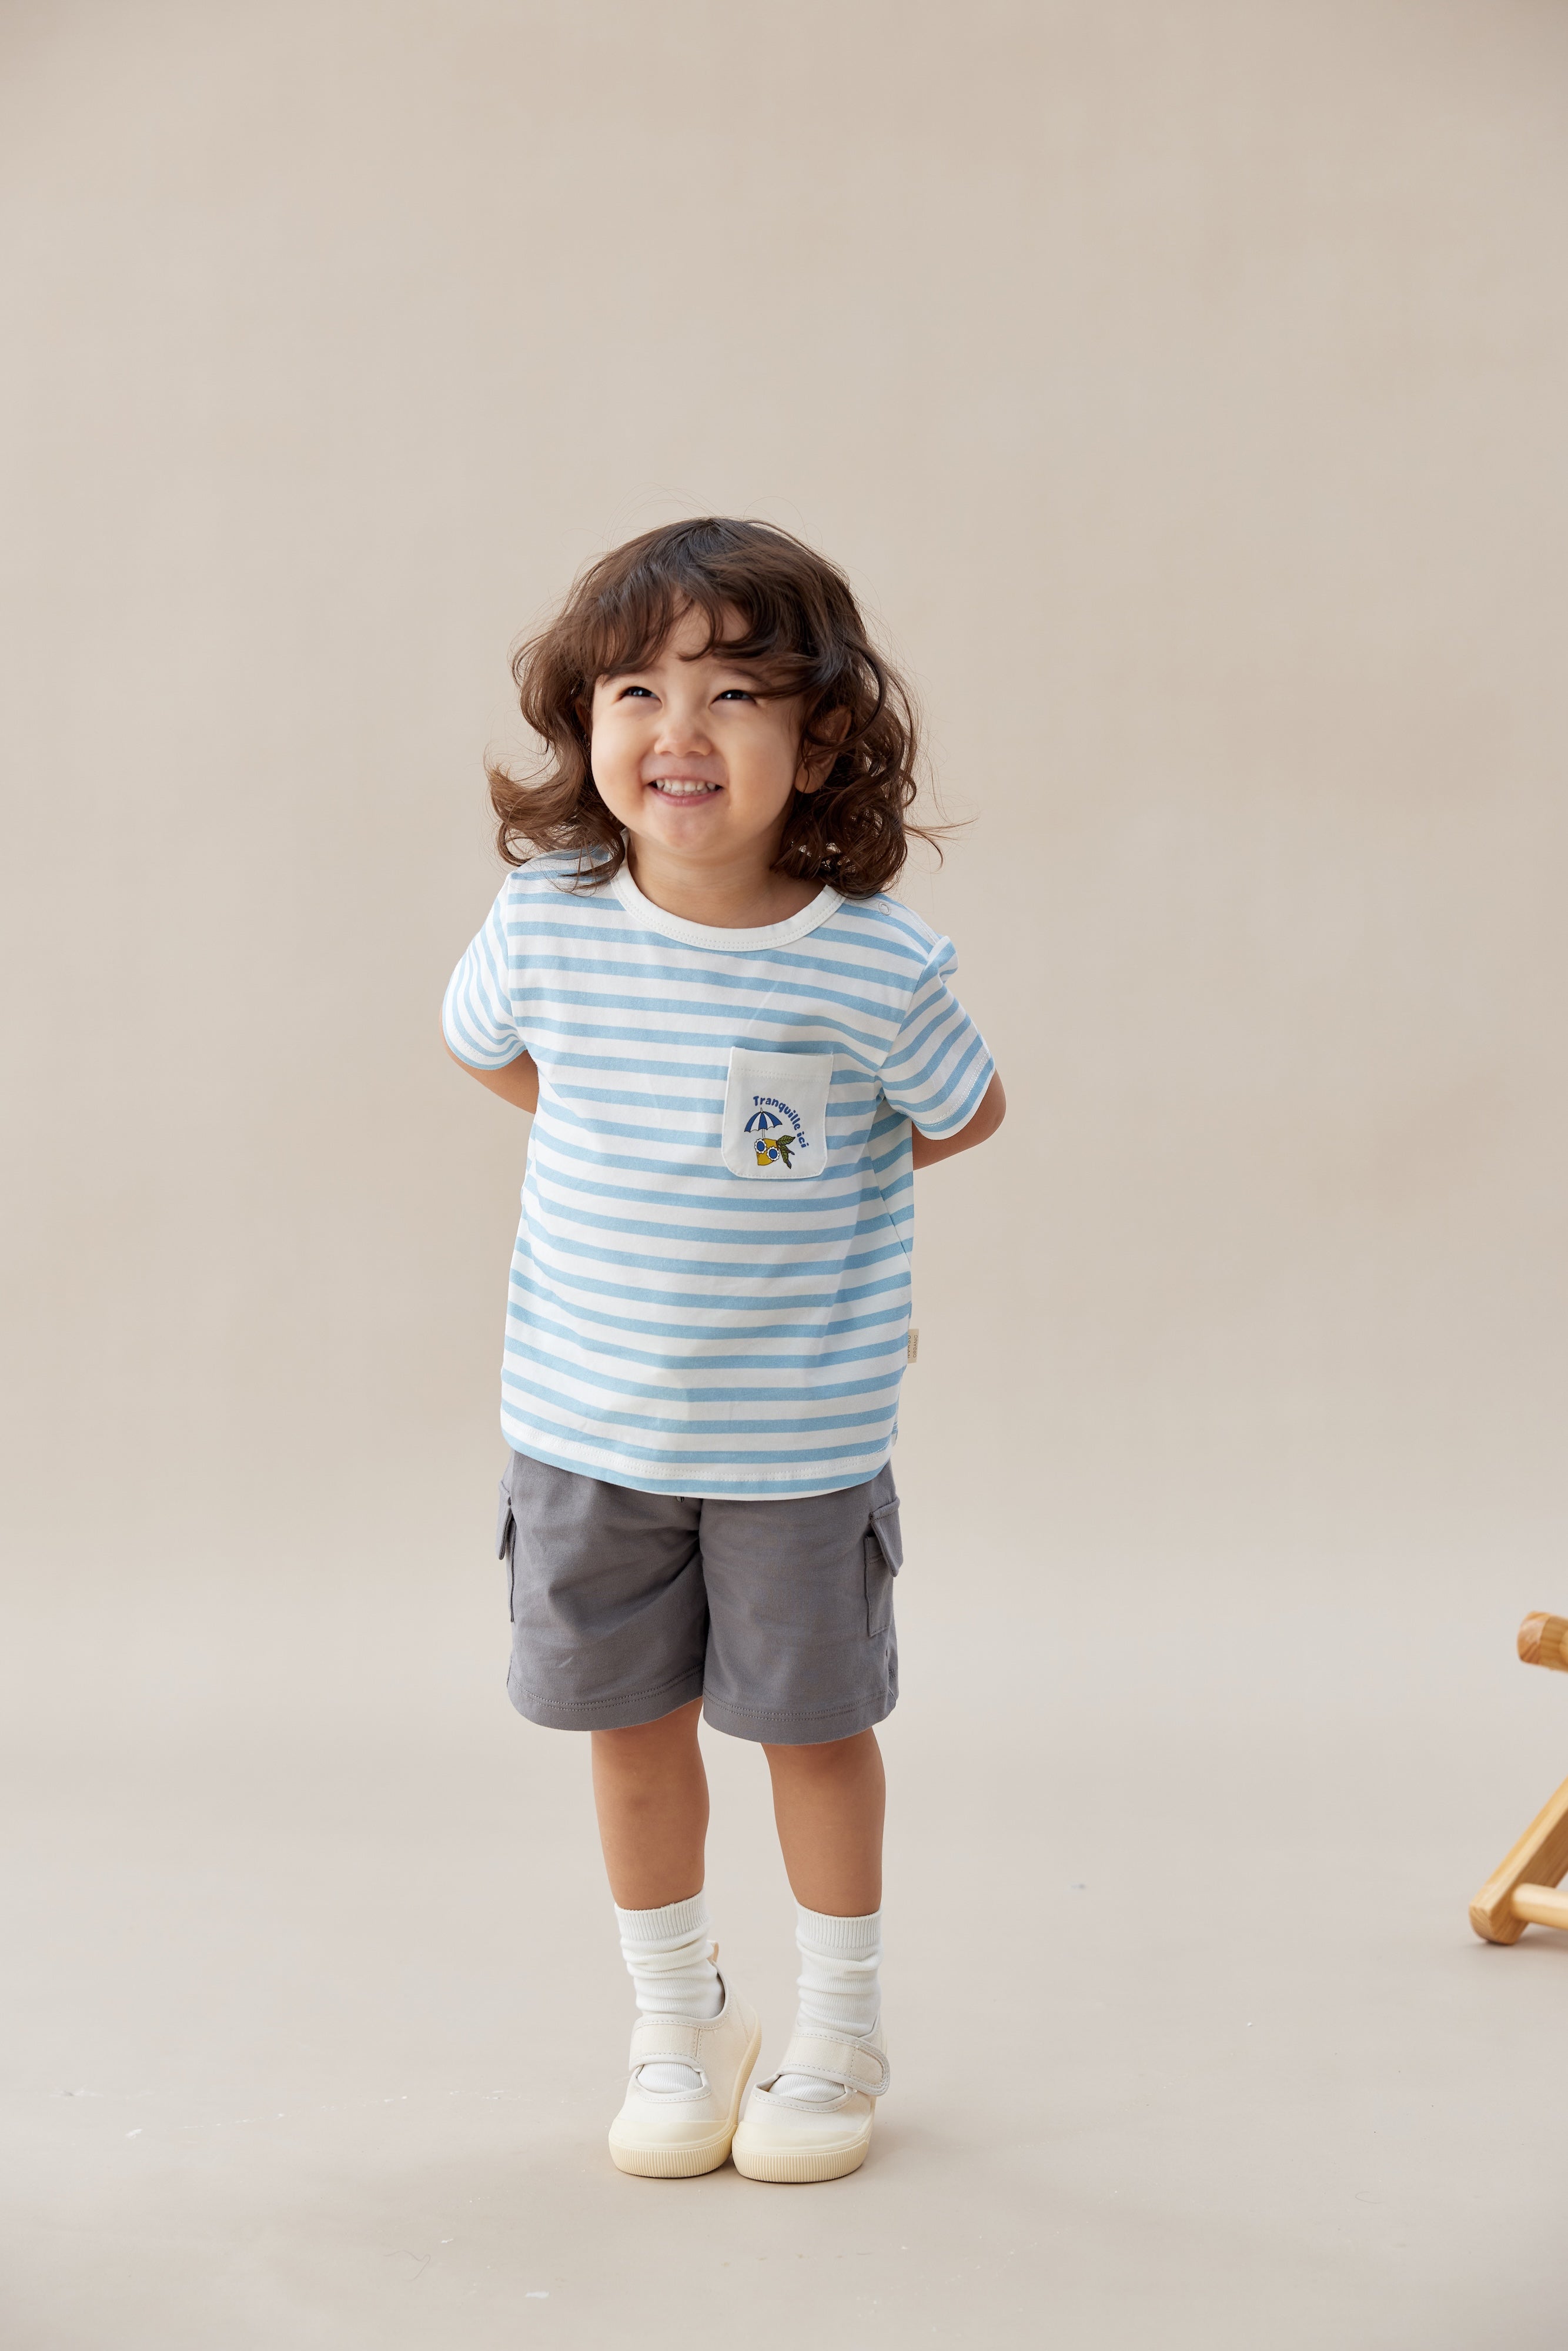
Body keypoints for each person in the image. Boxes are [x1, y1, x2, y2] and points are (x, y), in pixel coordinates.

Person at [442, 517, 1005, 2183]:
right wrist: (624, 1143)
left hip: (797, 1447)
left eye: (735, 694)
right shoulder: (544, 921)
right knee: (627, 1733)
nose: (675, 732)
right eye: (634, 690)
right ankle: (678, 2018)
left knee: (813, 1731)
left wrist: (809, 1190)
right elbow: (486, 1051)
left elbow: (965, 1112)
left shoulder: (873, 960)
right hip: (583, 1428)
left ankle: (838, 2028)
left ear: (820, 736)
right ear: (584, 724)